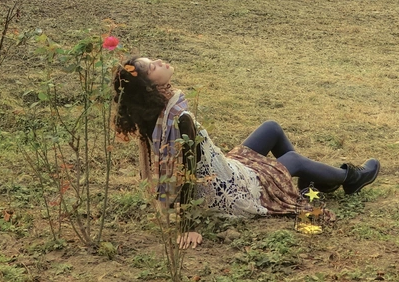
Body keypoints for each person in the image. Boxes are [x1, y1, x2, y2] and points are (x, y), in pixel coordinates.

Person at [113, 56, 380, 249]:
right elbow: (185, 173)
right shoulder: (179, 118)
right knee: (292, 160)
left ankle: (308, 182)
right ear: (149, 86)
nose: (159, 62)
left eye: (153, 60)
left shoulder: (158, 114)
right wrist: (187, 226)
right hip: (229, 191)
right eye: (152, 67)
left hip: (222, 170)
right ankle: (350, 178)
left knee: (271, 128)